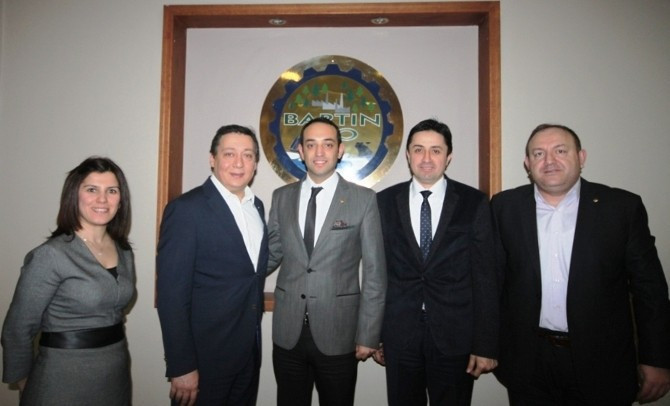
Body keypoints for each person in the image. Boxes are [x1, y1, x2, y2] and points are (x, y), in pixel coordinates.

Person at [491, 123, 670, 405]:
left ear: (581, 157)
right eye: (538, 153)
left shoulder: (621, 208)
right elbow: (492, 282)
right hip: (529, 362)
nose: (549, 160)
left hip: (603, 361)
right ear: (527, 163)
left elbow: (650, 290)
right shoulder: (504, 207)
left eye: (560, 151)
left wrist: (656, 358)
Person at [373, 118, 499, 405]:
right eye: (418, 150)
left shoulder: (474, 202)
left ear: (448, 156)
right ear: (408, 155)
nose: (426, 158)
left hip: (456, 336)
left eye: (436, 150)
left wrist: (486, 344)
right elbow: (377, 274)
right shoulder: (383, 202)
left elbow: (485, 277)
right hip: (400, 334)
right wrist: (376, 333)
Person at [267, 117, 386, 406]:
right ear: (301, 151)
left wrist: (368, 334)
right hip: (288, 332)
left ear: (340, 150)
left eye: (328, 144)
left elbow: (375, 272)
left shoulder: (364, 199)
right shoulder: (281, 197)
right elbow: (271, 254)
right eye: (311, 144)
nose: (319, 152)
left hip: (340, 333)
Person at [1, 157, 135, 405]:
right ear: (74, 195)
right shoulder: (50, 255)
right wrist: (23, 382)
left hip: (115, 374)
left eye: (112, 191)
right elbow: (17, 328)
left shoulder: (123, 251)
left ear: (121, 199)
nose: (102, 199)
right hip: (61, 377)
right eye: (92, 189)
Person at [156, 124, 268, 406]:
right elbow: (171, 295)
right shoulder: (186, 209)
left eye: (248, 155)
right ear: (212, 159)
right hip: (203, 360)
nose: (239, 163)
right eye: (229, 154)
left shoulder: (257, 207)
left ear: (255, 164)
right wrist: (181, 365)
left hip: (248, 355)